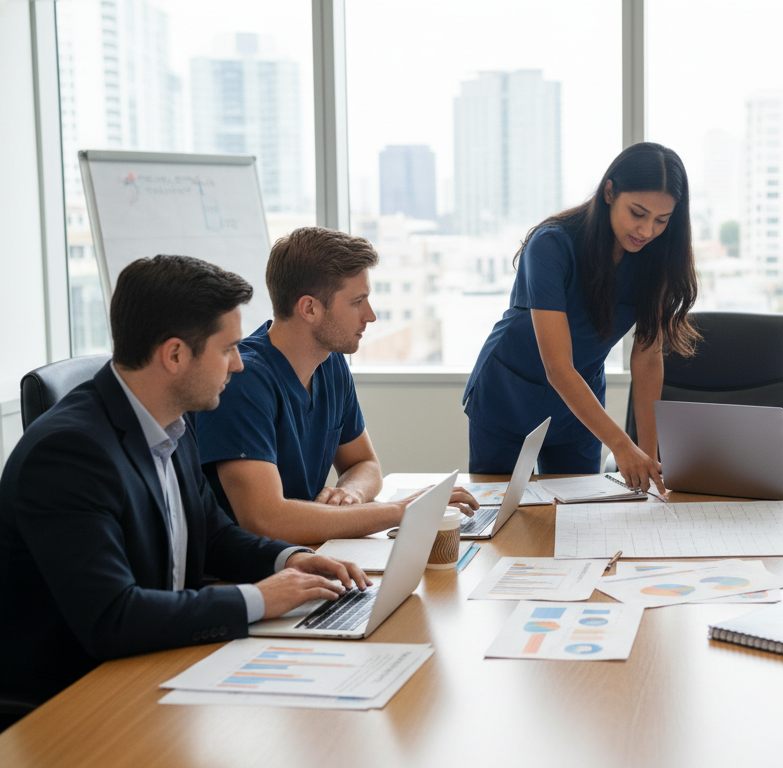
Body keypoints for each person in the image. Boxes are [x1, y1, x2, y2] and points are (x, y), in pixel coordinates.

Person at [0, 255, 369, 707]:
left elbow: (212, 532)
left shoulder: (172, 422)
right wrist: (255, 599)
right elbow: (112, 617)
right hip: (77, 698)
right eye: (227, 349)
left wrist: (287, 560)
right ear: (174, 354)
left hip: (160, 657)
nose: (238, 364)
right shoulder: (67, 456)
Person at [196, 227, 477, 544]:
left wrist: (349, 494)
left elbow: (365, 464)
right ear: (310, 308)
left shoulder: (330, 362)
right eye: (357, 302)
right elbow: (264, 520)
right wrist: (403, 511)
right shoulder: (242, 381)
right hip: (244, 576)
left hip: (306, 552)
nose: (370, 316)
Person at [463, 142, 699, 493]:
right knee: (505, 518)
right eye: (637, 213)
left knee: (581, 521)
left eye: (661, 220)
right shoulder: (551, 245)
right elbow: (558, 366)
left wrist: (646, 458)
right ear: (609, 192)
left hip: (581, 409)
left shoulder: (655, 259)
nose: (647, 230)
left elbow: (648, 360)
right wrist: (621, 445)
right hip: (508, 397)